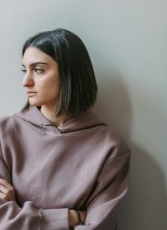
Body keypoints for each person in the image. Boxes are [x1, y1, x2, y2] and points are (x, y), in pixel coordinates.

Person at [0, 28, 130, 229]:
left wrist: (19, 213)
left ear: (70, 73)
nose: (26, 81)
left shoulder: (110, 148)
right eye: (25, 70)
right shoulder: (4, 133)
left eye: (39, 69)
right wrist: (70, 218)